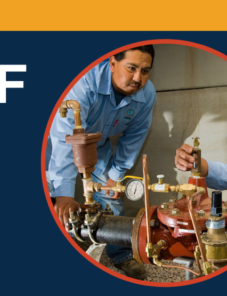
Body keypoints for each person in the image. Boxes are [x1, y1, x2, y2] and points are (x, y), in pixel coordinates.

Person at [48, 45, 157, 279]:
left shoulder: (146, 95)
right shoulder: (84, 82)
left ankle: (121, 256)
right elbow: (64, 138)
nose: (138, 78)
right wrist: (64, 194)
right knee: (53, 201)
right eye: (132, 68)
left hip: (97, 143)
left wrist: (115, 176)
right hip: (55, 143)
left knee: (111, 199)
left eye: (145, 71)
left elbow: (135, 136)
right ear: (113, 62)